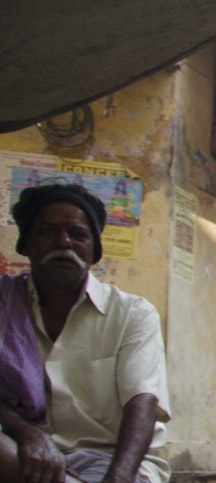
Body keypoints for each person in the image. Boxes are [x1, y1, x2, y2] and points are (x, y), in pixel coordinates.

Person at [0, 184, 171, 483]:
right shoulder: (5, 304)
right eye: (47, 232)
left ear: (94, 250)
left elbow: (142, 402)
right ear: (25, 244)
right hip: (28, 458)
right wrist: (28, 433)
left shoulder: (132, 314)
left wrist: (118, 478)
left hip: (115, 462)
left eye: (78, 235)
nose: (63, 242)